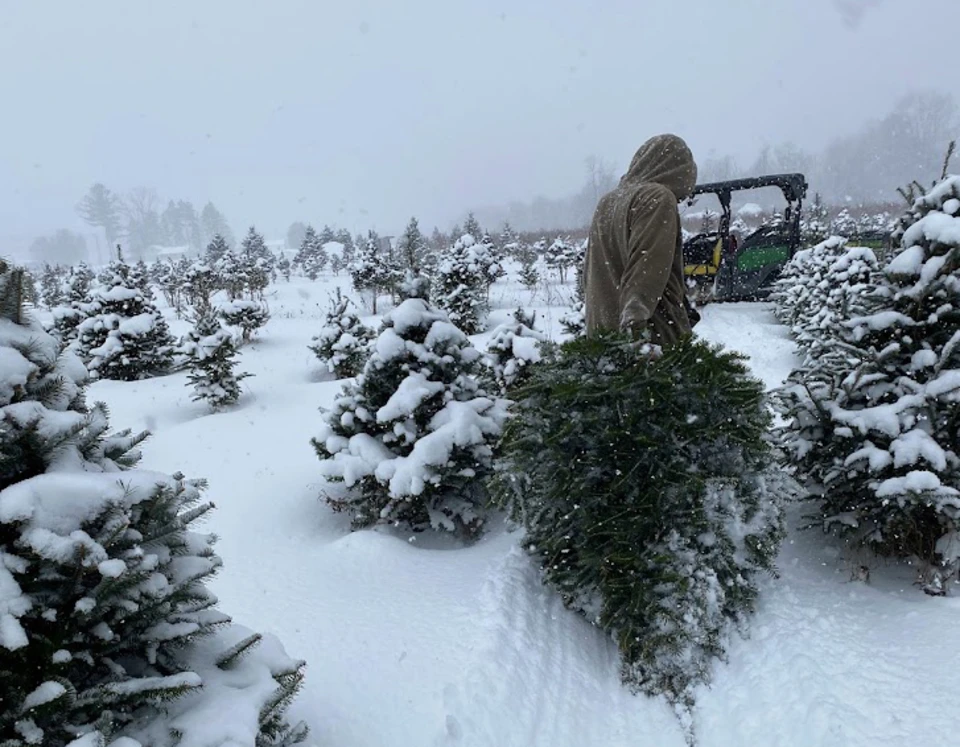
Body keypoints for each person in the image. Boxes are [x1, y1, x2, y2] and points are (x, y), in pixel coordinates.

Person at [584, 134, 700, 347]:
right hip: (651, 341)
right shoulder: (657, 197)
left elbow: (591, 272)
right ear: (674, 169)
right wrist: (634, 325)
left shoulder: (608, 202)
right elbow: (647, 266)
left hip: (602, 336)